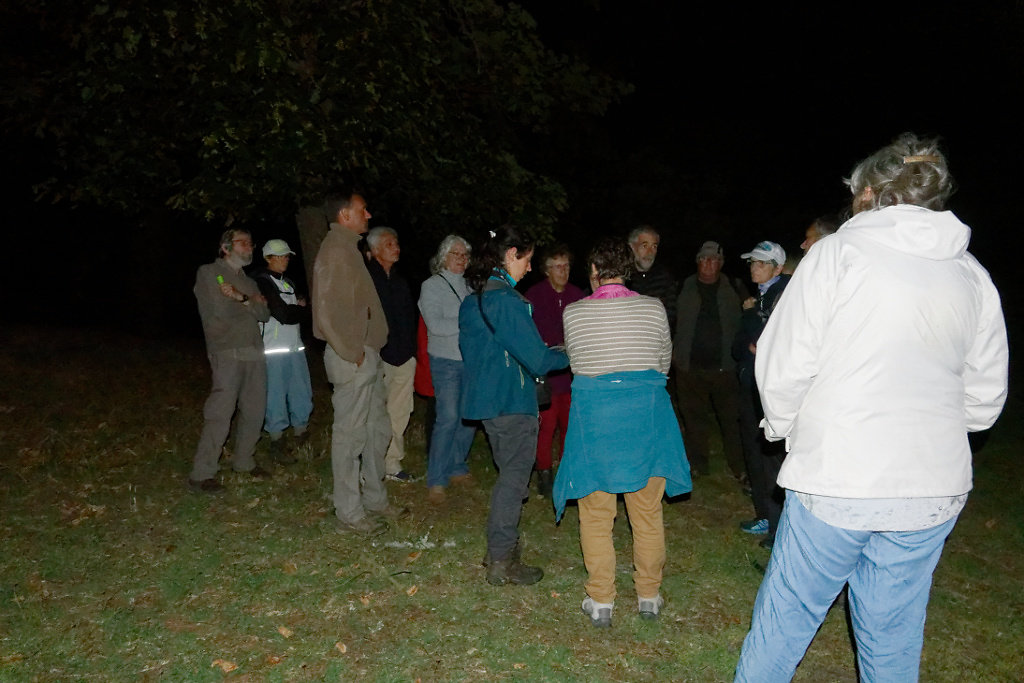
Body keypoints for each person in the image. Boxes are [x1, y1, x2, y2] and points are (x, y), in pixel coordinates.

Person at [735, 133, 1008, 681]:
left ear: (868, 192)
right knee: (892, 635)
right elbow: (984, 401)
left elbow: (783, 364)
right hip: (931, 487)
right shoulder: (972, 274)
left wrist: (785, 427)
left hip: (840, 476)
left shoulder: (836, 255)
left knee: (787, 620)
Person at [553, 238, 691, 628]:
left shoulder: (576, 313)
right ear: (626, 270)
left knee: (596, 513)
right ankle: (648, 595)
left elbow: (578, 364)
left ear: (594, 273)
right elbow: (664, 364)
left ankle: (601, 601)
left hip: (597, 421)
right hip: (645, 419)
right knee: (646, 511)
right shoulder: (653, 308)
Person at [459, 225, 569, 586]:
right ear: (511, 255)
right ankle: (502, 559)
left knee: (511, 476)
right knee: (513, 479)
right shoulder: (505, 300)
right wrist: (572, 352)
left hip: (488, 401)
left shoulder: (473, 298)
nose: (530, 267)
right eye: (528, 259)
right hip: (510, 402)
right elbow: (537, 359)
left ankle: (499, 550)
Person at [312, 189, 406, 537]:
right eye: (362, 210)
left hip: (366, 355)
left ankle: (375, 498)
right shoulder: (335, 251)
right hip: (351, 357)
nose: (368, 215)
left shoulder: (348, 250)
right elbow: (326, 311)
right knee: (350, 437)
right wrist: (353, 352)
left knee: (376, 430)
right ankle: (349, 512)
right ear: (344, 215)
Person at [189, 229, 272, 493]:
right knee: (220, 412)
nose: (250, 247)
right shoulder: (209, 273)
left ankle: (244, 461)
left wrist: (241, 297)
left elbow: (265, 314)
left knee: (255, 410)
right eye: (243, 243)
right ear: (226, 247)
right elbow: (218, 311)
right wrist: (248, 304)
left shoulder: (247, 281)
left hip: (254, 351)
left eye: (251, 243)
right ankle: (202, 473)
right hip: (226, 350)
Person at [673, 240, 745, 479]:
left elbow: (751, 319)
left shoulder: (735, 287)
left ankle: (740, 467)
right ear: (697, 262)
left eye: (713, 259)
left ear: (721, 263)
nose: (708, 263)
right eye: (703, 259)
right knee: (694, 420)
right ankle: (697, 465)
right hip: (689, 369)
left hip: (726, 369)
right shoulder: (683, 287)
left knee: (732, 422)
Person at [734, 240, 790, 548]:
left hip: (773, 387)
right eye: (752, 262)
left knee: (774, 457)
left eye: (762, 263)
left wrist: (760, 346)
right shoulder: (759, 297)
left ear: (778, 268)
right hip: (752, 383)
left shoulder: (786, 295)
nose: (755, 267)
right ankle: (766, 516)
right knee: (756, 454)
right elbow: (744, 342)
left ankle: (779, 527)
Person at [419, 235, 477, 504]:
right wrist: (467, 320)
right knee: (448, 417)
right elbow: (436, 326)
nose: (461, 259)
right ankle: (436, 478)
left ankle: (457, 466)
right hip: (445, 360)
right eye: (456, 254)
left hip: (470, 360)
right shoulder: (431, 286)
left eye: (465, 254)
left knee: (468, 417)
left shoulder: (469, 286)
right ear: (443, 256)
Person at [525, 244, 585, 497]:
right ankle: (544, 474)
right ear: (547, 270)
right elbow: (527, 333)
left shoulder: (578, 295)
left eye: (566, 265)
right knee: (546, 427)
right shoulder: (535, 295)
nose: (563, 271)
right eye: (558, 266)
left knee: (570, 426)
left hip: (572, 375)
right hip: (546, 375)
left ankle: (566, 472)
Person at [253, 238, 313, 465]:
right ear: (269, 258)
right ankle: (277, 439)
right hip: (273, 351)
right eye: (281, 256)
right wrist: (301, 310)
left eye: (287, 255)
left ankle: (301, 432)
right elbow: (282, 314)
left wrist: (298, 309)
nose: (285, 259)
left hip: (295, 347)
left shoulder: (287, 282)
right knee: (275, 394)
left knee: (301, 389)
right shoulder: (261, 282)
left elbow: (293, 310)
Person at [366, 226, 418, 483]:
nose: (396, 248)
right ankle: (370, 465)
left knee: (400, 411)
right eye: (389, 244)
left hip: (404, 356)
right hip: (378, 356)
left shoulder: (399, 281)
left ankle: (391, 462)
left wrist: (411, 352)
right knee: (374, 412)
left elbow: (409, 318)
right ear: (374, 250)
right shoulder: (366, 280)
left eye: (396, 243)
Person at [625, 225, 679, 330]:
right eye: (644, 246)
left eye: (654, 247)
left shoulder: (665, 278)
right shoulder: (622, 277)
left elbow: (670, 318)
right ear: (631, 247)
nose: (650, 252)